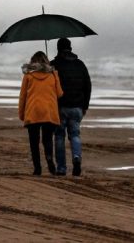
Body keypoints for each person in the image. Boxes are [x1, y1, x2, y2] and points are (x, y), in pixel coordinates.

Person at [18, 51, 64, 175]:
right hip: (48, 112)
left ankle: (37, 168)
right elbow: (59, 93)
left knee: (34, 142)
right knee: (47, 140)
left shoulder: (28, 75)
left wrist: (21, 114)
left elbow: (23, 97)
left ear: (33, 62)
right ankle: (49, 159)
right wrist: (55, 75)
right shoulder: (52, 75)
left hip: (33, 111)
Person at [51, 37, 91, 177]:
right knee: (75, 134)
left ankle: (61, 168)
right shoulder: (80, 64)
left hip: (60, 107)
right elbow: (88, 85)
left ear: (58, 49)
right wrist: (85, 105)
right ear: (70, 48)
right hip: (77, 106)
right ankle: (76, 157)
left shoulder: (54, 65)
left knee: (59, 136)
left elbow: (49, 87)